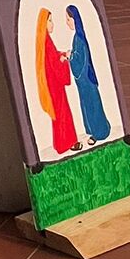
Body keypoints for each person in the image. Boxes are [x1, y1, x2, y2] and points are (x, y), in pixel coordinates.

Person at [35, 10, 81, 156]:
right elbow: (54, 63)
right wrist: (64, 59)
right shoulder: (46, 42)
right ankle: (65, 143)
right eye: (49, 21)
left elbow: (53, 58)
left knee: (60, 113)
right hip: (54, 85)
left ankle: (64, 142)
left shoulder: (45, 41)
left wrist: (61, 55)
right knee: (61, 113)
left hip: (52, 84)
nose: (52, 24)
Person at [66, 5, 111, 145]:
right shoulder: (77, 37)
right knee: (87, 105)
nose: (67, 23)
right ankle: (93, 131)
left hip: (86, 79)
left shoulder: (79, 39)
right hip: (83, 81)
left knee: (92, 105)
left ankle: (100, 132)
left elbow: (81, 60)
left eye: (68, 19)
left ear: (75, 20)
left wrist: (70, 56)